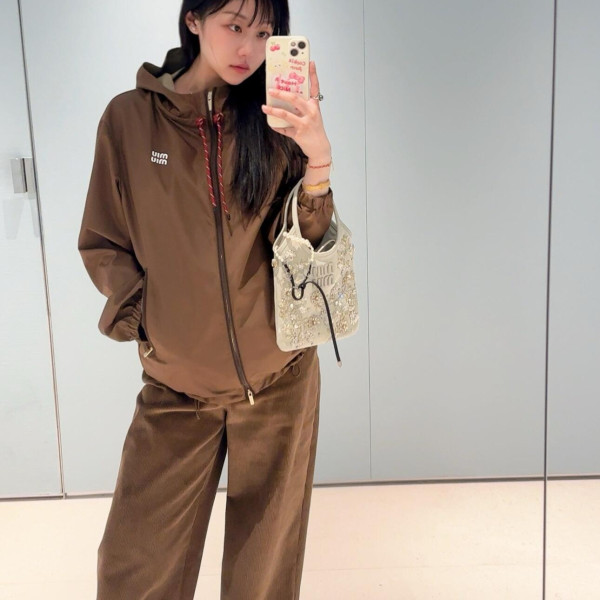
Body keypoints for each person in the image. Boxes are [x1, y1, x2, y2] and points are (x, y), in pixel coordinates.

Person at [77, 0, 334, 598]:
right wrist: (150, 324)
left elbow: (307, 247)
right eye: (234, 27)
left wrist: (317, 156)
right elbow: (103, 239)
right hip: (176, 388)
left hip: (280, 381)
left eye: (264, 32)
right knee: (133, 567)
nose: (249, 49)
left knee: (262, 576)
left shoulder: (274, 118)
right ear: (193, 20)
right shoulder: (129, 120)